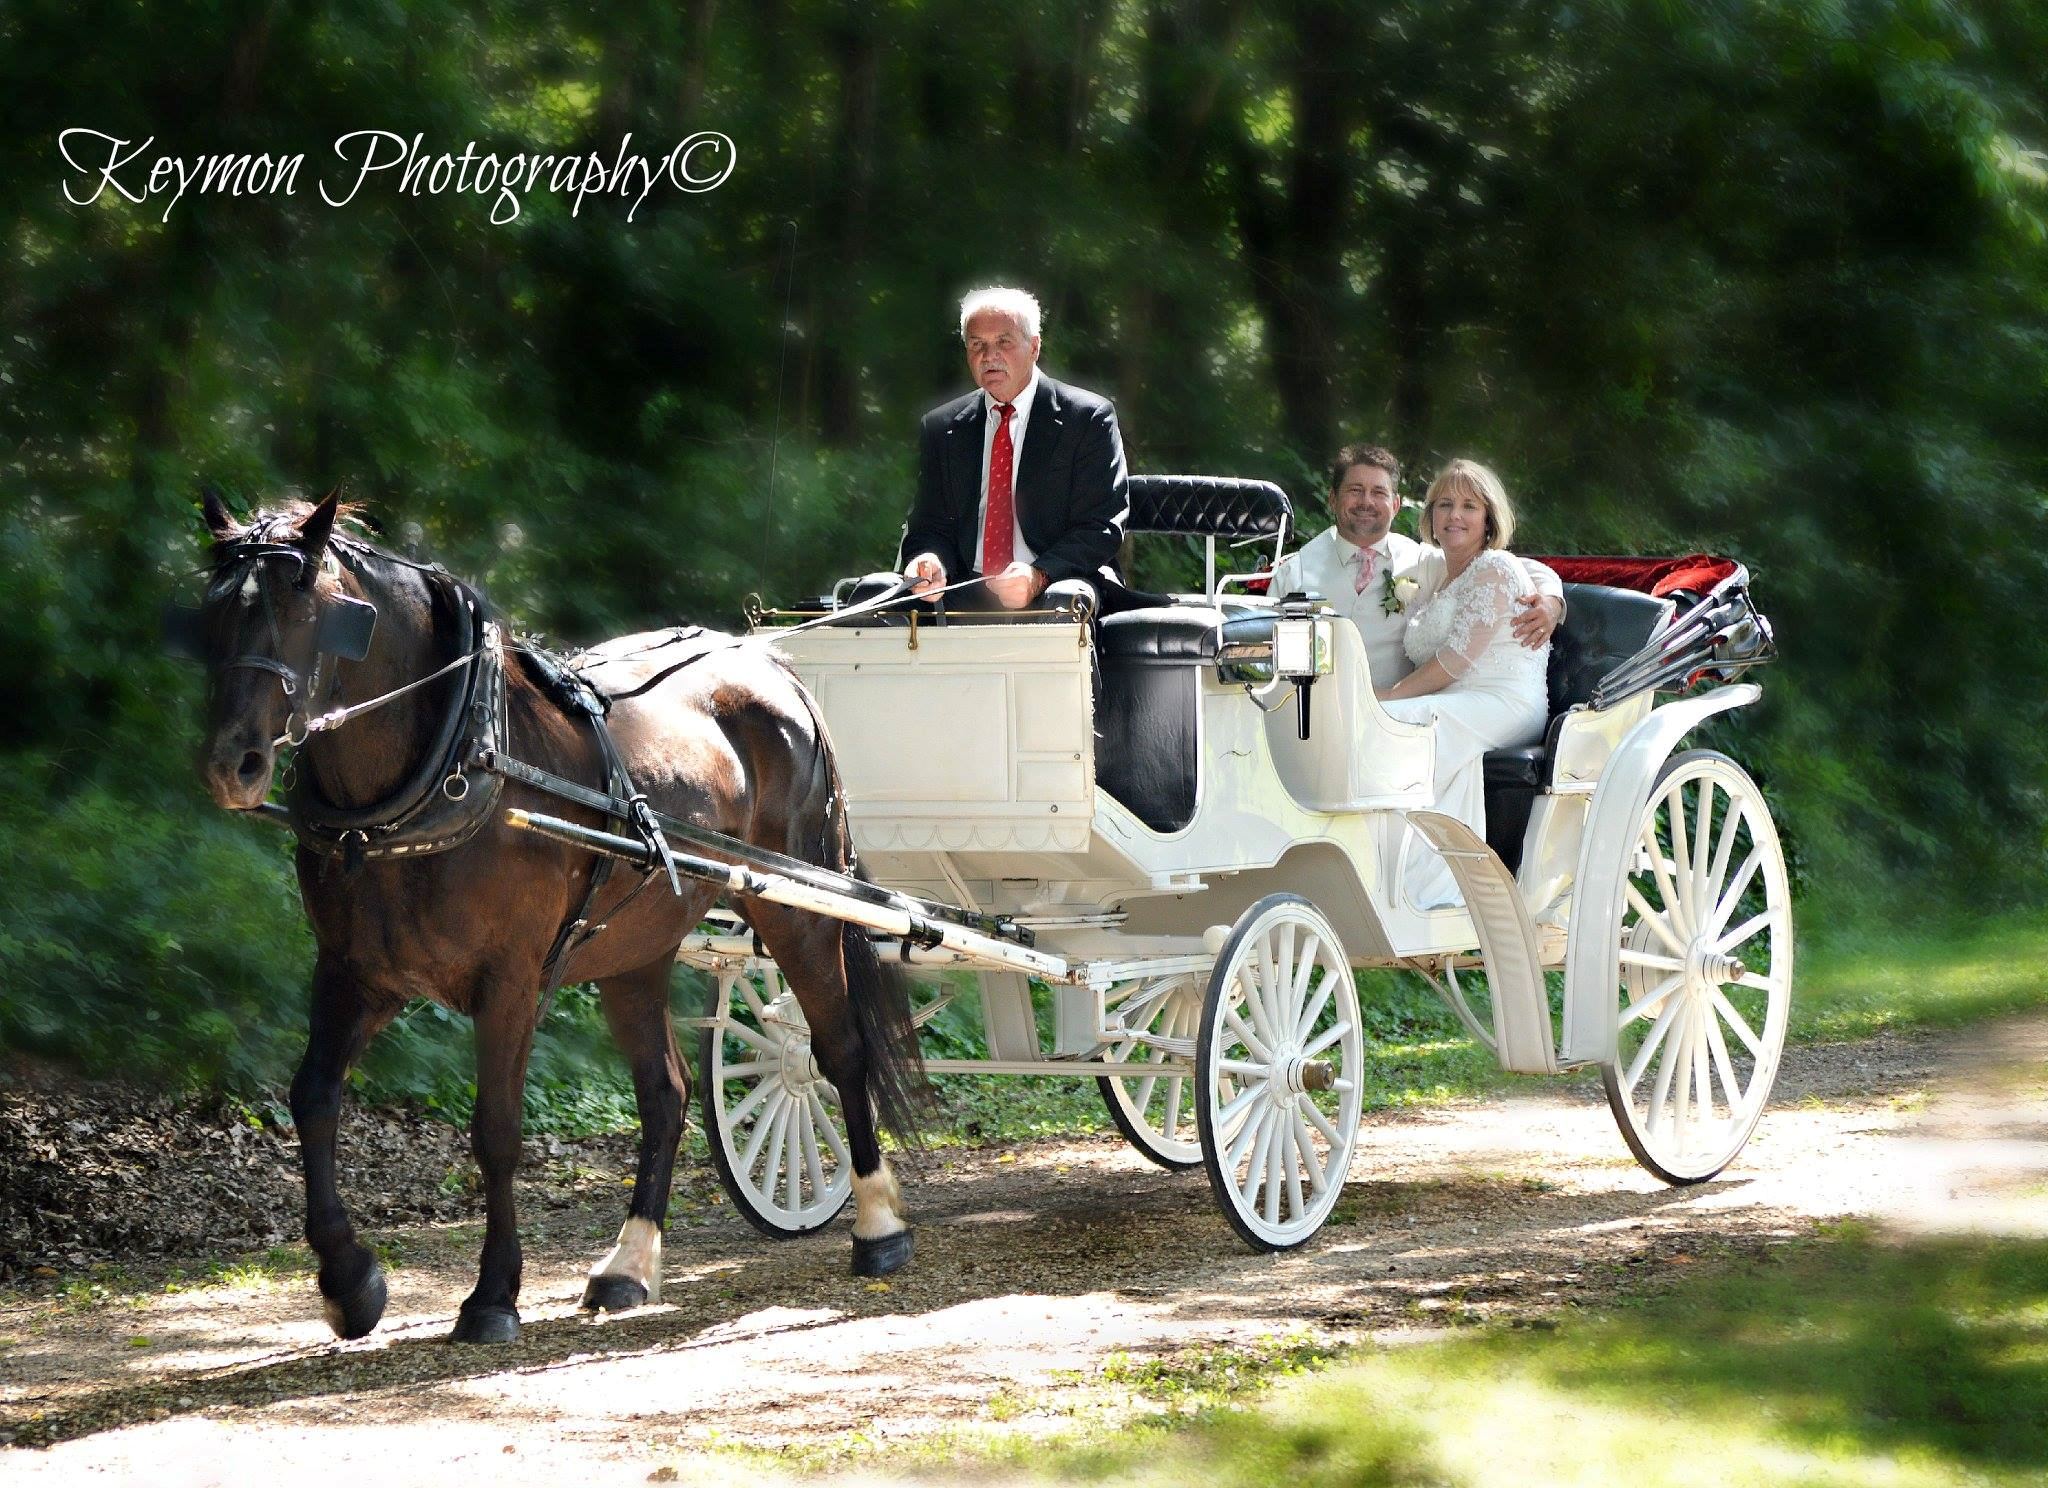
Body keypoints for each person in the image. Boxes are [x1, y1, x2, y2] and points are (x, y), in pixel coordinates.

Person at [1377, 459, 1553, 909]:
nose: (1455, 515)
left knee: (1394, 720)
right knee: (1393, 719)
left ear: (1488, 519)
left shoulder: (1494, 567)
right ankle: (1389, 867)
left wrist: (1390, 696)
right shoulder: (1435, 573)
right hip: (1458, 699)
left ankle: (1395, 873)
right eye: (1445, 505)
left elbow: (1457, 661)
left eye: (1469, 506)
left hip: (1504, 699)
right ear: (1431, 516)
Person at [900, 287, 1129, 610]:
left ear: (1034, 347)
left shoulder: (1087, 418)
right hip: (965, 586)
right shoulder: (942, 427)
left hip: (1054, 585)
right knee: (875, 595)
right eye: (977, 344)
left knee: (1064, 602)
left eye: (1003, 342)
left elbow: (1100, 527)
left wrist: (1039, 575)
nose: (988, 356)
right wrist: (928, 561)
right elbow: (929, 524)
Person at [1269, 444, 1562, 690]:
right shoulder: (1295, 572)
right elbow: (1266, 651)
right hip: (1309, 717)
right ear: (1333, 499)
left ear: (1396, 505)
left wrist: (1551, 602)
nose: (1366, 501)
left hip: (1395, 716)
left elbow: (1508, 566)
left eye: (1379, 492)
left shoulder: (1424, 561)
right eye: (1355, 490)